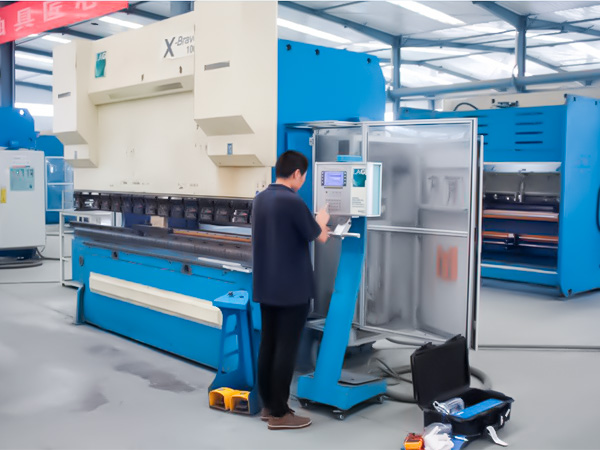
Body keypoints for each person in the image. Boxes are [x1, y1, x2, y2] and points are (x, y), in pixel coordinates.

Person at [252, 150, 330, 430]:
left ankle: (268, 405)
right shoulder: (293, 201)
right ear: (297, 173)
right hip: (292, 289)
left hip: (266, 285)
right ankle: (280, 413)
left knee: (269, 344)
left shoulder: (260, 199)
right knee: (286, 348)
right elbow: (320, 236)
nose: (303, 181)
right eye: (304, 176)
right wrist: (322, 218)